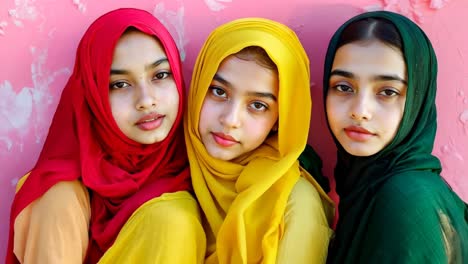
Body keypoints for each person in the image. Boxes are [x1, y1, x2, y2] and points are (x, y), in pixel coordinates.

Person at [7, 8, 205, 264]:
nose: (146, 100)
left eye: (160, 75)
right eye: (120, 84)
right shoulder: (54, 196)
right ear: (94, 95)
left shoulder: (210, 178)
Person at [184, 18, 334, 264]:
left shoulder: (293, 204)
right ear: (199, 86)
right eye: (219, 91)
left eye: (257, 105)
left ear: (279, 119)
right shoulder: (168, 174)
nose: (231, 120)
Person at [323, 11, 468, 263]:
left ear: (417, 100)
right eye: (343, 87)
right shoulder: (367, 186)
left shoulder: (407, 201)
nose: (360, 111)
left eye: (388, 92)